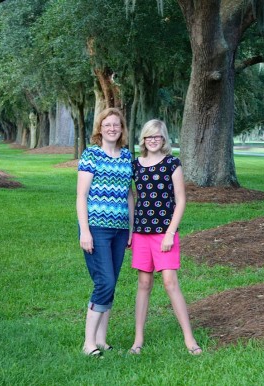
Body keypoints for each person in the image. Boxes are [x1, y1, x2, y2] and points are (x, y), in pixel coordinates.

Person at [129, 119, 202, 355]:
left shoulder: (172, 164)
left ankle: (189, 339)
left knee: (170, 282)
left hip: (164, 233)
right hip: (141, 232)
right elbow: (131, 197)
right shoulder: (135, 165)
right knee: (144, 283)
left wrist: (170, 233)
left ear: (164, 139)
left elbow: (181, 200)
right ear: (143, 139)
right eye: (149, 136)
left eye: (157, 137)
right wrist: (130, 230)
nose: (153, 140)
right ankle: (138, 340)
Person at [76, 108, 134, 357]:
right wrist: (85, 231)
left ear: (122, 129)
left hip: (120, 229)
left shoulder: (127, 157)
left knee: (111, 284)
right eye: (107, 124)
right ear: (100, 128)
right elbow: (81, 196)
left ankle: (101, 339)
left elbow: (130, 194)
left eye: (116, 125)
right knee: (105, 281)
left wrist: (131, 228)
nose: (112, 128)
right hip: (96, 228)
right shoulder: (91, 155)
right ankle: (88, 343)